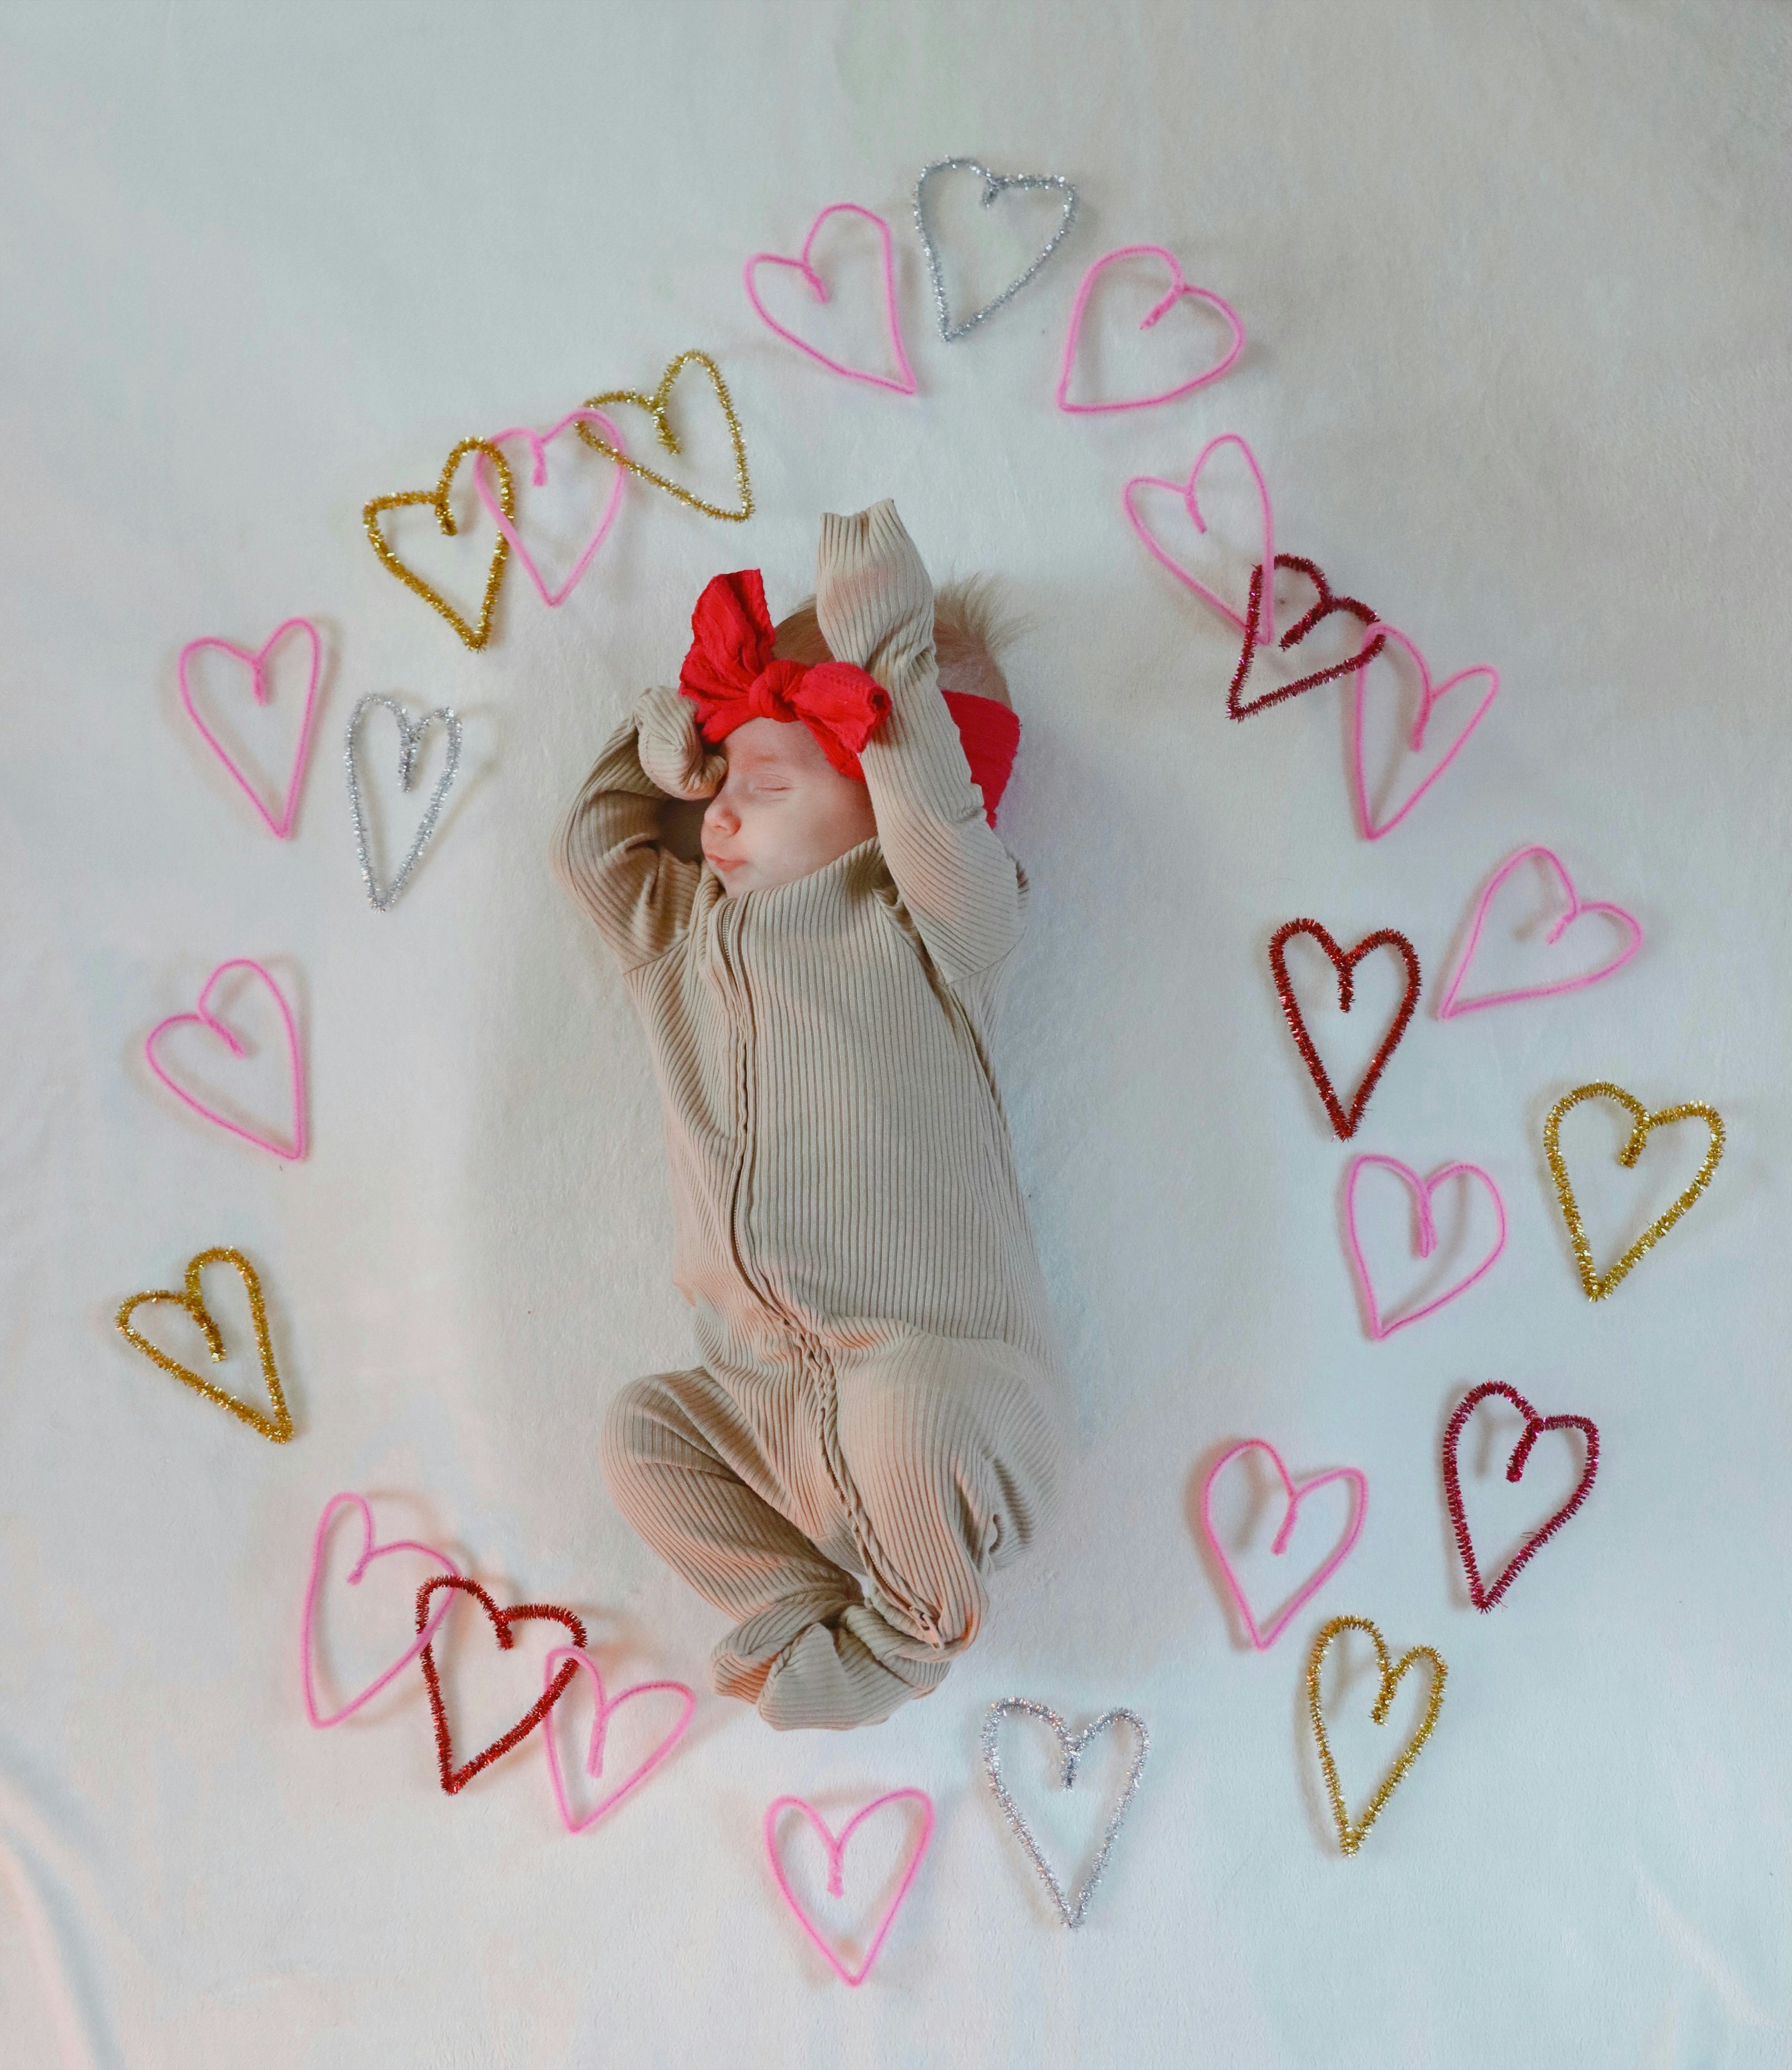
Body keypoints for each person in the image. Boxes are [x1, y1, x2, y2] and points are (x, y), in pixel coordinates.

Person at [555, 499, 1061, 1730]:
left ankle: (904, 1637)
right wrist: (665, 743)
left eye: (763, 781)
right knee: (640, 1433)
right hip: (758, 1395)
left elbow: (938, 823)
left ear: (884, 791)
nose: (719, 812)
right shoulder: (675, 939)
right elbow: (593, 845)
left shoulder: (929, 928)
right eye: (718, 784)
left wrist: (891, 659)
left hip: (937, 1378)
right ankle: (794, 1604)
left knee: (907, 1424)